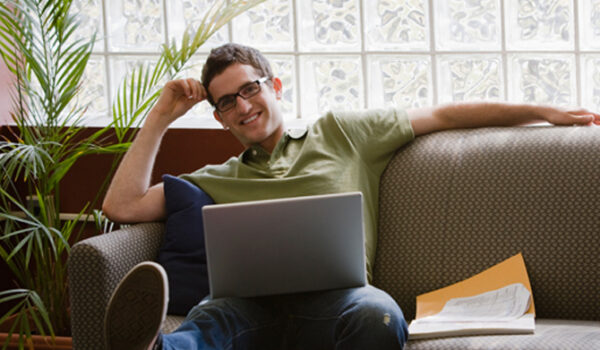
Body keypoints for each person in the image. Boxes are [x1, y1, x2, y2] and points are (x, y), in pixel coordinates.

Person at [101, 43, 600, 350]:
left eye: (249, 89)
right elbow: (120, 207)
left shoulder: (342, 133)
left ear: (275, 86)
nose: (243, 106)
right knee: (208, 324)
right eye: (226, 102)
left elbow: (447, 116)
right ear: (220, 118)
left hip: (339, 302)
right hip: (246, 307)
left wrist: (545, 111)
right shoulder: (217, 177)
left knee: (379, 316)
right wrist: (162, 114)